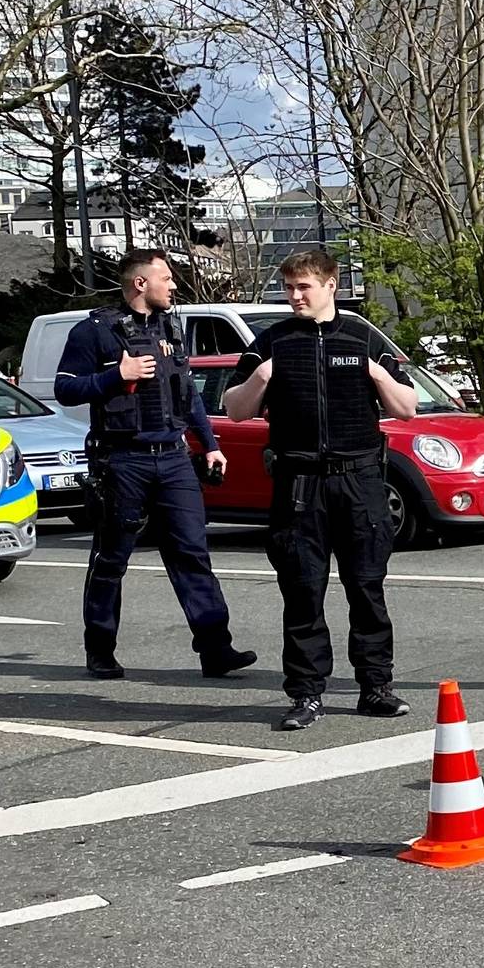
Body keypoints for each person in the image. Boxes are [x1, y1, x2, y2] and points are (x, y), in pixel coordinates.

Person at [219, 248, 419, 730]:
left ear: (331, 285)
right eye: (289, 287)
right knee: (302, 590)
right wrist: (262, 377)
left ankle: (375, 687)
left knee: (367, 588)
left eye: (304, 286)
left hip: (359, 479)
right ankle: (306, 693)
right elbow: (235, 409)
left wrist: (375, 371)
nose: (294, 296)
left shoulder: (363, 337)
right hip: (299, 483)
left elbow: (408, 407)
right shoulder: (273, 341)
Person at [52, 248, 254, 682]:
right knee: (111, 559)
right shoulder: (95, 331)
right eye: (167, 278)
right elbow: (65, 389)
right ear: (140, 283)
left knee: (192, 554)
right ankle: (101, 649)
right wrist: (115, 374)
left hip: (175, 459)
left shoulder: (170, 327)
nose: (174, 285)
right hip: (122, 460)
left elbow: (188, 394)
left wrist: (210, 444)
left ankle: (216, 649)